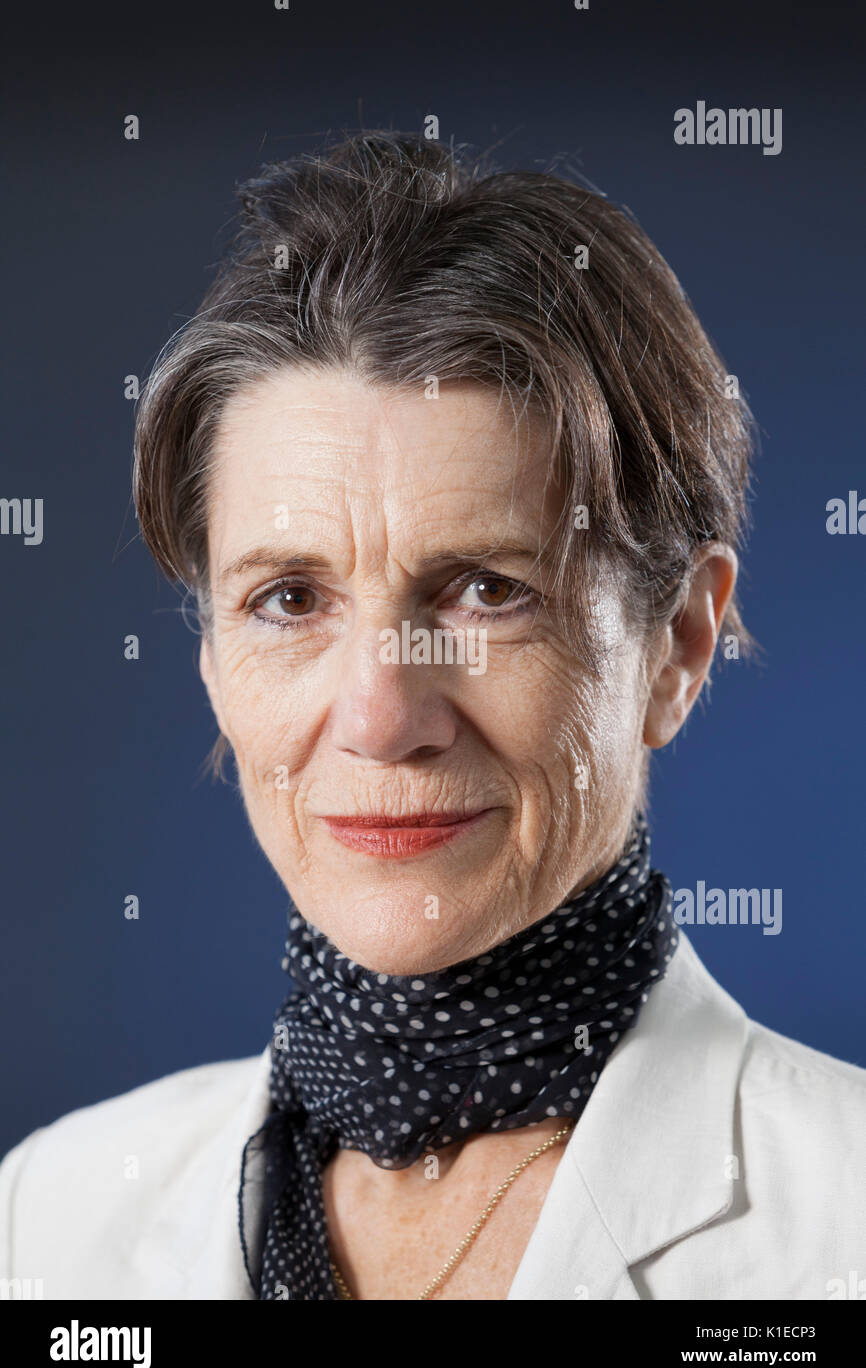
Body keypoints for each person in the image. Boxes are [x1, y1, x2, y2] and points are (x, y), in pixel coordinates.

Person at [2, 132, 864, 1301]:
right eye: (289, 598)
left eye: (484, 589)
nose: (379, 714)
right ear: (209, 657)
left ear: (676, 643)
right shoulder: (48, 1214)